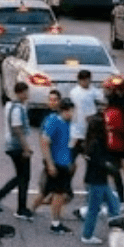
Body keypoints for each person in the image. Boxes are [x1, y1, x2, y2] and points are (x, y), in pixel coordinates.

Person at [32, 97, 75, 233]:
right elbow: (44, 141)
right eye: (72, 111)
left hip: (62, 162)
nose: (73, 113)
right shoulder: (54, 121)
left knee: (46, 191)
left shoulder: (65, 122)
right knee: (59, 194)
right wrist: (50, 164)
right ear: (65, 110)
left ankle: (30, 210)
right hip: (57, 163)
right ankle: (55, 223)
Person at [0, 81, 33, 218]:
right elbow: (17, 128)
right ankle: (20, 207)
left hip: (11, 145)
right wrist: (26, 148)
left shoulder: (10, 105)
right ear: (20, 93)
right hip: (17, 147)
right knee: (24, 177)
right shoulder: (17, 108)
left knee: (21, 177)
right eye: (26, 92)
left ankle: (3, 199)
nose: (27, 95)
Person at [79, 110, 120, 245]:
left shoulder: (90, 141)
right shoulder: (98, 143)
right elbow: (100, 162)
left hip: (97, 179)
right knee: (94, 209)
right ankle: (87, 235)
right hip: (97, 180)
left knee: (114, 206)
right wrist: (112, 167)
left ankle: (118, 232)